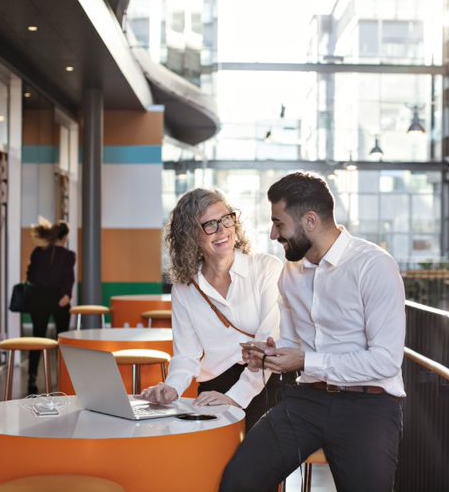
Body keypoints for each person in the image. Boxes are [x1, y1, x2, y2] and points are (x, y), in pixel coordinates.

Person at [221, 172, 406, 492]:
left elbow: (386, 361)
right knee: (239, 481)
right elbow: (293, 342)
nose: (273, 234)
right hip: (305, 401)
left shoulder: (373, 265)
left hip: (368, 406)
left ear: (309, 220)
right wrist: (271, 355)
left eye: (279, 224)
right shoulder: (291, 273)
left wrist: (305, 361)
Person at [138, 188, 282, 431]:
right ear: (191, 237)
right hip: (215, 388)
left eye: (226, 219)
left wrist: (235, 397)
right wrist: (171, 387)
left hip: (267, 383)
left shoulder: (267, 269)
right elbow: (186, 355)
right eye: (210, 225)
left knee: (248, 463)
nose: (222, 230)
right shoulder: (185, 288)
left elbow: (270, 344)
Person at [26, 218, 75, 394]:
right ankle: (61, 378)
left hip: (38, 299)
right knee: (61, 341)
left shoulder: (38, 252)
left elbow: (30, 276)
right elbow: (69, 278)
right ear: (65, 237)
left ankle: (32, 379)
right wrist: (66, 294)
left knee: (37, 340)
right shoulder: (68, 255)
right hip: (59, 300)